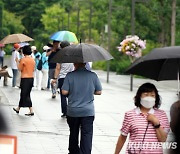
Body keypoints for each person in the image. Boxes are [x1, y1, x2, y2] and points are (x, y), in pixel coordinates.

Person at [114, 82, 170, 154]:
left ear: (156, 98)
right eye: (146, 95)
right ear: (139, 96)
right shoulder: (130, 114)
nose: (149, 98)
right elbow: (123, 137)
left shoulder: (161, 114)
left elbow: (163, 139)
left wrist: (156, 122)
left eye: (152, 95)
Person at [62, 63, 102, 154]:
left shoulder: (70, 75)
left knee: (73, 132)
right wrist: (91, 91)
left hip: (73, 111)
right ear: (85, 63)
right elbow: (99, 91)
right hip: (88, 111)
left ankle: (73, 152)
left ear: (75, 64)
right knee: (87, 134)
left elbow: (64, 92)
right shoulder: (93, 75)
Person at [52, 41, 74, 117]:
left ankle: (65, 112)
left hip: (62, 78)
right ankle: (72, 110)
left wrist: (55, 78)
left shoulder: (60, 55)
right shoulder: (73, 55)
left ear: (61, 47)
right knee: (72, 95)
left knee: (63, 96)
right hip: (72, 77)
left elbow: (58, 68)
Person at [13, 45, 35, 116]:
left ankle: (31, 110)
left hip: (25, 79)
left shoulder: (23, 59)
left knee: (24, 94)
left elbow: (19, 69)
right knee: (25, 94)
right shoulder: (32, 59)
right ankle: (18, 108)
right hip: (31, 78)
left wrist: (17, 62)